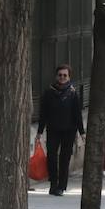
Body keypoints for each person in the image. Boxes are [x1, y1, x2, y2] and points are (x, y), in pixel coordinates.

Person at [37, 64, 84, 196]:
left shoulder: (73, 93)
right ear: (56, 76)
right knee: (51, 157)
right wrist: (40, 131)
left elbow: (77, 114)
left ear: (69, 77)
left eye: (65, 75)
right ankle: (53, 183)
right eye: (60, 75)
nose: (62, 77)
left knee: (65, 158)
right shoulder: (48, 92)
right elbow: (43, 113)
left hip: (69, 130)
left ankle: (62, 186)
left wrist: (82, 132)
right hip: (53, 129)